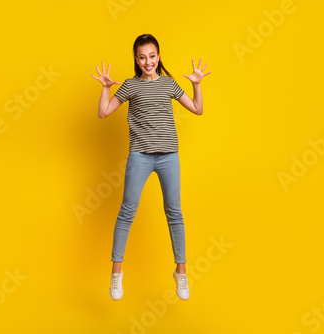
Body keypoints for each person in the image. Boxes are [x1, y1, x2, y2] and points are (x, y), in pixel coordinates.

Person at [90, 33, 211, 301]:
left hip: (169, 156)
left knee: (174, 212)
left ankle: (181, 272)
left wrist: (197, 85)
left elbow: (197, 109)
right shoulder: (130, 86)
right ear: (136, 59)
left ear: (158, 56)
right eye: (143, 57)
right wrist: (106, 88)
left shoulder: (169, 84)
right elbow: (103, 112)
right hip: (140, 156)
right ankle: (116, 273)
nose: (148, 61)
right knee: (127, 211)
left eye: (152, 56)